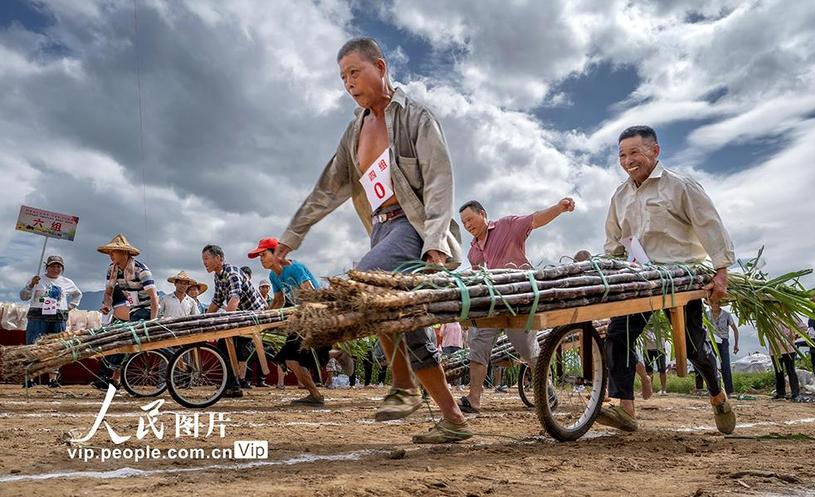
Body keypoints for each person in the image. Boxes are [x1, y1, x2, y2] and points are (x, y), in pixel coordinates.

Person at [274, 37, 471, 443]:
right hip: (381, 227)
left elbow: (439, 181)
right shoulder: (354, 132)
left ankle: (403, 386)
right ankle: (453, 418)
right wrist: (292, 236)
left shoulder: (416, 117)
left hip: (413, 226)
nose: (348, 83)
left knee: (366, 283)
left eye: (354, 72)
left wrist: (434, 241)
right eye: (342, 77)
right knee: (402, 319)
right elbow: (327, 190)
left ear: (380, 67)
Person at [600, 125, 736, 434]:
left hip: (680, 276)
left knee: (693, 344)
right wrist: (608, 270)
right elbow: (613, 241)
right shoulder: (620, 195)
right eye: (622, 154)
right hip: (640, 277)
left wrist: (721, 270)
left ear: (655, 151)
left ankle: (717, 395)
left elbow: (709, 224)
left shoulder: (679, 186)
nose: (628, 160)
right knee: (618, 334)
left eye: (635, 152)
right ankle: (626, 409)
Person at [456, 197, 575, 412]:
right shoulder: (473, 251)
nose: (468, 225)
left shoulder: (507, 225)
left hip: (518, 300)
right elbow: (476, 276)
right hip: (491, 304)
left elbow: (534, 219)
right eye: (464, 223)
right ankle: (474, 400)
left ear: (483, 214)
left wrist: (559, 208)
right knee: (478, 345)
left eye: (470, 219)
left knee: (527, 351)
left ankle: (545, 387)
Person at [248, 237, 329, 405]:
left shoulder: (294, 268)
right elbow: (278, 301)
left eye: (263, 255)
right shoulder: (273, 276)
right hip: (301, 319)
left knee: (292, 356)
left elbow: (310, 295)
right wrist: (264, 317)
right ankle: (315, 394)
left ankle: (316, 392)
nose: (261, 259)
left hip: (315, 317)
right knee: (290, 358)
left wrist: (296, 316)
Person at [95, 234, 159, 390]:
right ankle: (115, 379)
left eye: (114, 252)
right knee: (116, 333)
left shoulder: (141, 270)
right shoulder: (112, 270)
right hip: (133, 310)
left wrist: (152, 322)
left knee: (125, 334)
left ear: (124, 253)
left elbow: (154, 299)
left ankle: (111, 372)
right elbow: (109, 293)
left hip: (146, 309)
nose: (111, 255)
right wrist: (106, 305)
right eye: (109, 252)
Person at [203, 244, 267, 397]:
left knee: (226, 345)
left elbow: (235, 298)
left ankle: (234, 385)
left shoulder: (231, 273)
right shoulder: (217, 276)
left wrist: (225, 321)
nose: (204, 262)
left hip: (254, 314)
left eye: (206, 258)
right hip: (241, 315)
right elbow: (216, 301)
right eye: (203, 259)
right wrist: (204, 319)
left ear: (218, 258)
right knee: (223, 346)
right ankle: (233, 385)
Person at [19, 255, 82, 387]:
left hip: (58, 317)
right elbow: (23, 296)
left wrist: (71, 306)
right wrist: (31, 285)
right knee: (33, 346)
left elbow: (78, 294)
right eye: (52, 266)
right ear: (47, 267)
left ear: (62, 268)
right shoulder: (37, 279)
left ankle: (53, 379)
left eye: (58, 266)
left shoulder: (67, 282)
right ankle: (30, 378)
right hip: (37, 316)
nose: (55, 268)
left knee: (57, 347)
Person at [705, 302, 739, 395]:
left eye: (716, 303)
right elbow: (702, 328)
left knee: (725, 365)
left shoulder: (726, 315)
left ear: (719, 304)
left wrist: (736, 345)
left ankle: (729, 391)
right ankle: (712, 390)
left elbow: (735, 330)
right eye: (712, 303)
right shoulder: (707, 314)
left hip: (723, 341)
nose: (714, 305)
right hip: (711, 341)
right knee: (711, 366)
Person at [769, 323, 801, 401]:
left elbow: (803, 327)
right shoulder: (769, 316)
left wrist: (795, 335)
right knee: (778, 372)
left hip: (788, 349)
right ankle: (780, 393)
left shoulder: (789, 315)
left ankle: (795, 394)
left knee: (790, 370)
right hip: (774, 349)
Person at [643, 329, 668, 395]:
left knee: (662, 369)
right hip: (647, 348)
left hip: (660, 348)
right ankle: (649, 389)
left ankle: (663, 390)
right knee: (648, 370)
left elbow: (666, 336)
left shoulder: (662, 320)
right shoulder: (644, 321)